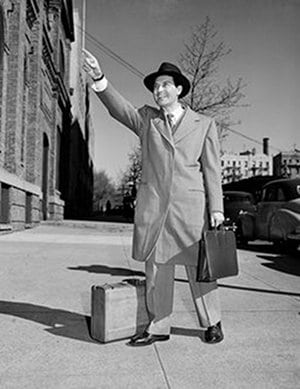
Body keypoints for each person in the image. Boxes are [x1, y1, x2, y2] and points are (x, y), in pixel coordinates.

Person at [83, 50, 225, 346]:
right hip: (156, 208)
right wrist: (99, 77)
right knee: (157, 269)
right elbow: (120, 110)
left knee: (200, 270)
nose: (158, 90)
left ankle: (212, 322)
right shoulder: (148, 120)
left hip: (191, 209)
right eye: (155, 86)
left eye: (164, 85)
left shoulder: (205, 124)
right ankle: (159, 327)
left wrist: (217, 209)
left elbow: (212, 170)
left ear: (179, 89)